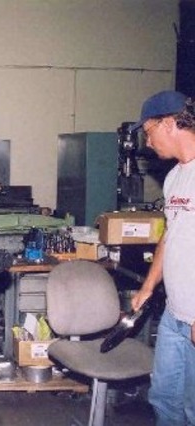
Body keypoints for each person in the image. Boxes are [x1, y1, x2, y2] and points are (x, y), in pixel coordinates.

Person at [130, 90, 195, 426]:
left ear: (169, 123)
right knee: (165, 400)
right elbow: (170, 236)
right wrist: (148, 286)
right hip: (174, 314)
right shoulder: (174, 177)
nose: (148, 142)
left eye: (148, 131)